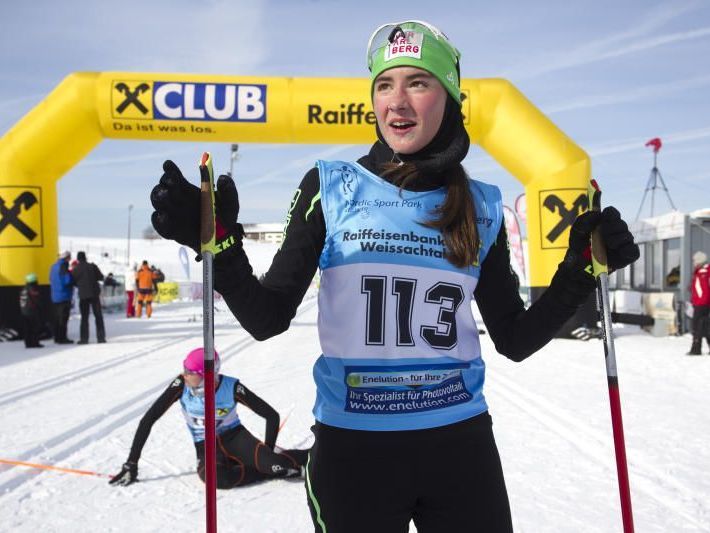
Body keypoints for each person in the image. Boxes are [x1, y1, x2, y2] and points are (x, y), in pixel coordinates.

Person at [150, 20, 640, 533]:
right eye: (385, 85)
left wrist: (578, 272)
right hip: (355, 452)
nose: (397, 101)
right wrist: (223, 252)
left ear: (449, 98)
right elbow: (267, 317)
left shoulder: (482, 206)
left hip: (460, 448)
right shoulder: (331, 188)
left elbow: (515, 339)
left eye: (418, 83)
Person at [109, 348, 308, 488]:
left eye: (189, 371)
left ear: (206, 374)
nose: (183, 374)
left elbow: (271, 416)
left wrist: (268, 448)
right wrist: (131, 464)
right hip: (205, 445)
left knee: (276, 464)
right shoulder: (180, 385)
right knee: (217, 480)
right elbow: (149, 419)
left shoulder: (230, 386)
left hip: (235, 437)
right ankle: (268, 468)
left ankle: (299, 459)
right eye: (184, 369)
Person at [71, 251, 106, 344]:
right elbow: (101, 277)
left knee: (84, 317)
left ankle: (84, 339)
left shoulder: (76, 269)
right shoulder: (92, 266)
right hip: (94, 294)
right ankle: (101, 338)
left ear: (78, 259)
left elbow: (72, 281)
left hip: (83, 296)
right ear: (85, 257)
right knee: (98, 316)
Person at [49, 250, 74, 344]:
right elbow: (67, 280)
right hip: (64, 295)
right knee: (63, 318)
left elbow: (50, 279)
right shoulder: (64, 266)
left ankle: (56, 337)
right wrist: (72, 279)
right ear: (67, 258)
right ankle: (62, 338)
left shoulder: (53, 266)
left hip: (55, 295)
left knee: (56, 318)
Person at [688, 250, 710, 355]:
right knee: (702, 326)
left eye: (695, 261)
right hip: (697, 303)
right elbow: (697, 288)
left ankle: (696, 349)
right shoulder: (698, 272)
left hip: (704, 304)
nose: (694, 263)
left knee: (698, 326)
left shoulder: (707, 272)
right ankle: (696, 349)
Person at [19, 273, 44, 348]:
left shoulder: (24, 289)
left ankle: (28, 343)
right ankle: (35, 343)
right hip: (32, 311)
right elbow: (36, 299)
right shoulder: (32, 288)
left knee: (27, 328)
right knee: (34, 327)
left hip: (24, 311)